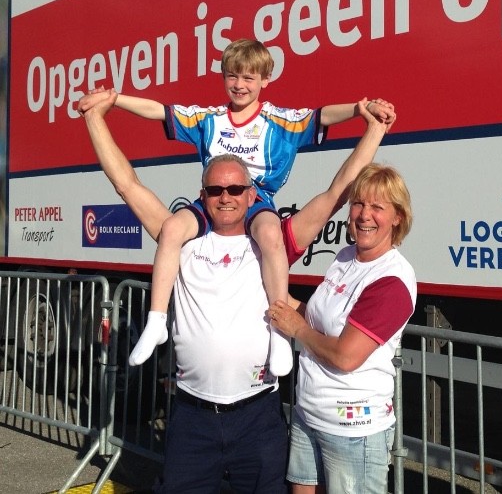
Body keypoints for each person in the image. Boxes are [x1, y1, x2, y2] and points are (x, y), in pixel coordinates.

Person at [80, 89, 393, 493]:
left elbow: (337, 193)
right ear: (202, 196)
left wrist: (374, 130)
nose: (225, 198)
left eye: (234, 190)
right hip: (192, 418)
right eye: (215, 191)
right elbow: (127, 184)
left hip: (257, 418)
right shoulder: (184, 239)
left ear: (251, 194)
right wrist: (94, 118)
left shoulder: (275, 240)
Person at [78, 38, 395, 376]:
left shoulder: (279, 126)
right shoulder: (191, 238)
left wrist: (364, 115)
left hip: (257, 389)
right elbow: (143, 149)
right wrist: (110, 102)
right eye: (232, 76)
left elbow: (333, 174)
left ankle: (278, 332)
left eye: (248, 78)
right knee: (171, 228)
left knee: (270, 234)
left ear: (265, 80)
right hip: (192, 394)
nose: (240, 85)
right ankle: (157, 321)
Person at [269, 163, 416, 494]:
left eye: (377, 207)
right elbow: (318, 319)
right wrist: (278, 296)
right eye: (359, 203)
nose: (364, 215)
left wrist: (297, 329)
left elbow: (347, 356)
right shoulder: (346, 257)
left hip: (353, 431)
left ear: (397, 217)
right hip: (309, 416)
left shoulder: (392, 279)